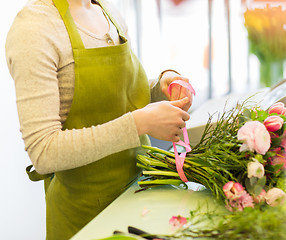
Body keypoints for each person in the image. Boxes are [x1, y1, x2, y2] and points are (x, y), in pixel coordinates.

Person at [5, 0, 193, 239]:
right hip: (86, 218)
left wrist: (159, 88)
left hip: (143, 194)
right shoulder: (34, 28)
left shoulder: (108, 11)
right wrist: (138, 124)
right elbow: (44, 151)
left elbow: (118, 100)